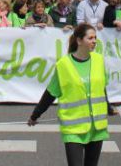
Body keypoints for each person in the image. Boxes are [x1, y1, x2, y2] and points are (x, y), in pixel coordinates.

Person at [28, 23, 109, 166]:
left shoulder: (99, 60)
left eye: (95, 38)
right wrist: (35, 115)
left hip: (97, 127)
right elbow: (50, 94)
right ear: (79, 40)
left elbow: (102, 88)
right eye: (90, 38)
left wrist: (109, 107)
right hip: (73, 129)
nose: (94, 41)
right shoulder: (63, 65)